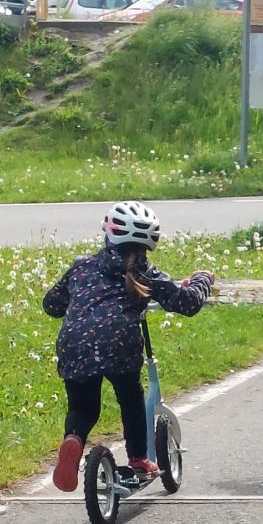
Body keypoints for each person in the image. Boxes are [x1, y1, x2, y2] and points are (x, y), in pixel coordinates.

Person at [44, 201, 214, 493]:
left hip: (74, 344)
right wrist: (202, 280)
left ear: (108, 235)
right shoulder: (146, 274)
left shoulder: (82, 266)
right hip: (118, 344)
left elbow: (51, 305)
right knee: (131, 399)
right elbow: (186, 303)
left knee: (83, 407)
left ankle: (73, 439)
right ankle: (139, 460)